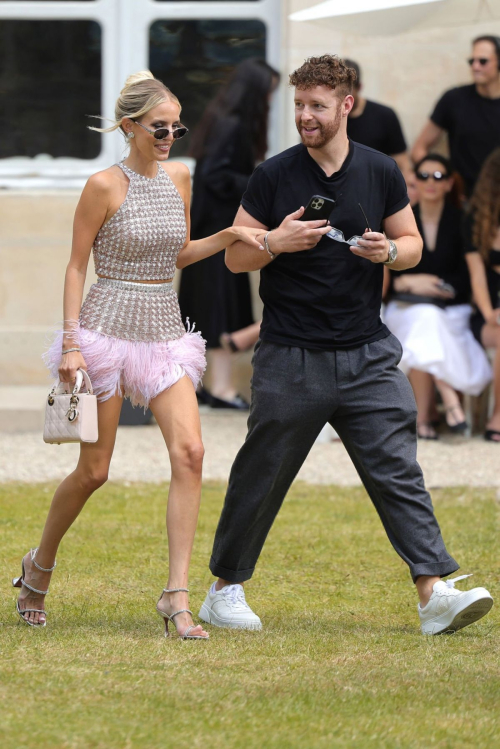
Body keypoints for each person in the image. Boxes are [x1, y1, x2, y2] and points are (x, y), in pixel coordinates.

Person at [198, 55, 493, 636]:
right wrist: (275, 241)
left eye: (317, 106)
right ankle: (224, 590)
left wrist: (387, 252)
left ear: (346, 106)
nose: (305, 116)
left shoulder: (380, 170)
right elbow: (236, 257)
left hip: (367, 353)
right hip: (291, 354)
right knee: (264, 470)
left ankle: (432, 592)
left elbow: (410, 245)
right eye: (299, 105)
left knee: (397, 468)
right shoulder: (273, 174)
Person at [12, 71, 262, 636]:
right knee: (94, 471)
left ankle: (175, 596)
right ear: (129, 127)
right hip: (103, 331)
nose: (170, 135)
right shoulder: (103, 185)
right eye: (159, 127)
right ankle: (39, 567)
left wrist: (227, 238)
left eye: (177, 126)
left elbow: (176, 255)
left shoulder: (180, 177)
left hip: (163, 331)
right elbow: (77, 265)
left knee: (192, 452)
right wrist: (72, 344)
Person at [178, 58, 280, 409]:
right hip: (221, 226)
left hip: (215, 225)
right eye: (268, 92)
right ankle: (218, 388)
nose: (270, 101)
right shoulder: (233, 124)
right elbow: (216, 177)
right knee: (218, 303)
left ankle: (207, 387)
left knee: (207, 303)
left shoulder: (223, 119)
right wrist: (260, 182)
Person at [385, 154, 492, 440]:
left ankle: (423, 420)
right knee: (423, 319)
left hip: (450, 310)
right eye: (423, 176)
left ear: (448, 184)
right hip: (405, 308)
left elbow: (465, 277)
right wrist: (409, 281)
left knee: (426, 324)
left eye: (438, 177)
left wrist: (438, 286)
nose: (430, 182)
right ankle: (448, 400)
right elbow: (391, 270)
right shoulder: (402, 220)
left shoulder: (462, 221)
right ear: (415, 183)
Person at [412, 35, 500, 197]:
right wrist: (440, 181)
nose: (475, 66)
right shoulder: (454, 99)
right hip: (463, 200)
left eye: (483, 61)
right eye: (471, 61)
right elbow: (419, 148)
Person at [464, 148, 500, 442]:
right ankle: (497, 417)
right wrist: (491, 315)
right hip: (488, 313)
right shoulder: (475, 220)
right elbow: (477, 276)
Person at [344, 58, 411, 177]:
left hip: (377, 187)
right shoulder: (327, 118)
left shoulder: (384, 116)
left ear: (359, 87)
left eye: (346, 92)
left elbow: (402, 162)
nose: (342, 99)